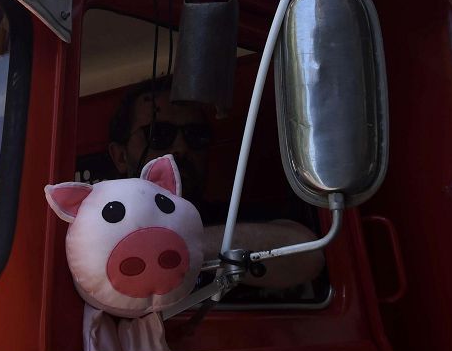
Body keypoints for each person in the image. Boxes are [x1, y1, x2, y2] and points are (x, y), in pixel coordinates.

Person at [107, 79, 324, 291]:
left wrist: (176, 244)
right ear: (120, 157)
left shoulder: (233, 220)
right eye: (159, 134)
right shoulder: (94, 234)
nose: (181, 148)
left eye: (196, 136)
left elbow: (306, 254)